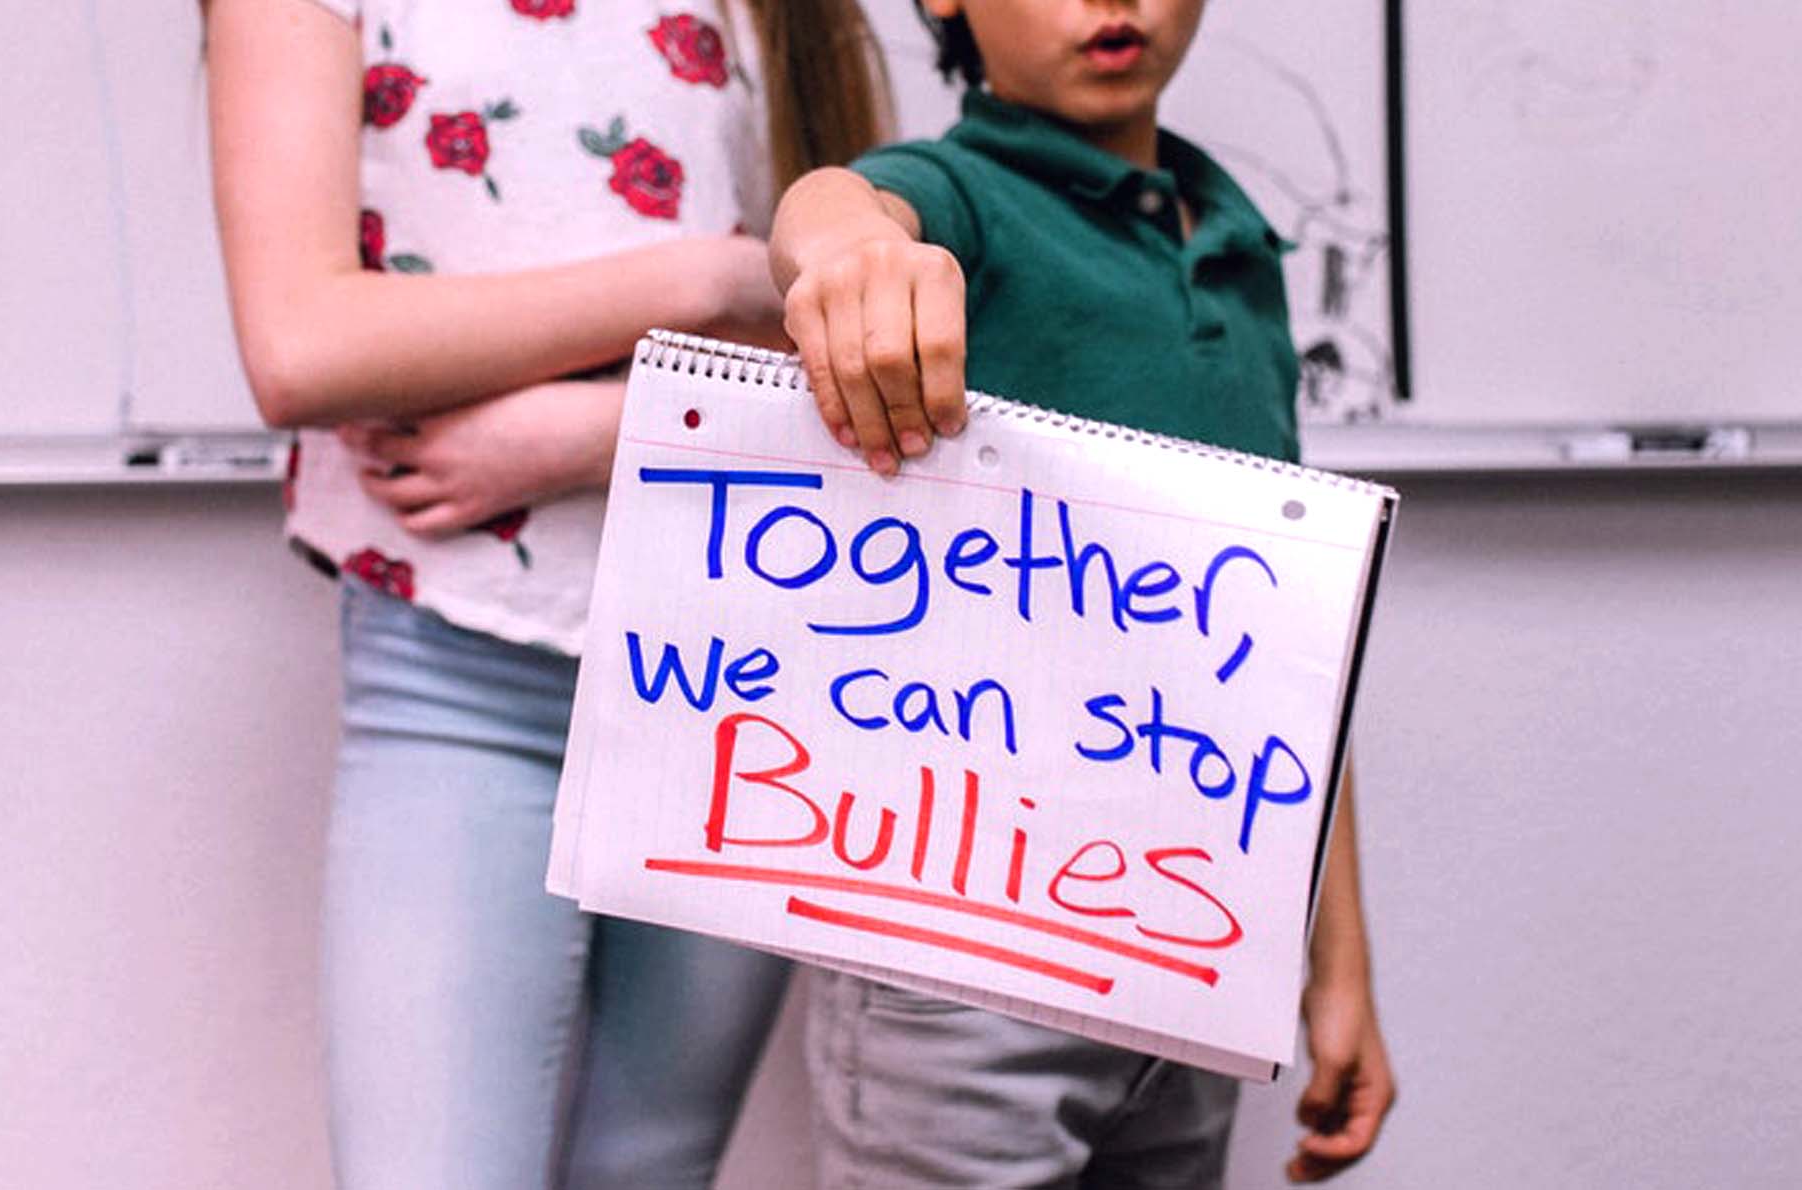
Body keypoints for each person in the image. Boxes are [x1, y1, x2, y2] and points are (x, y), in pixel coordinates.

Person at [203, 0, 888, 1186]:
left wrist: (603, 432)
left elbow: (860, 353)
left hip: (746, 679)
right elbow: (300, 345)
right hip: (457, 672)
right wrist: (713, 274)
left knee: (649, 1167)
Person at [767, 0, 1396, 1184]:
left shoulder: (1239, 246)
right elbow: (837, 205)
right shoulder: (952, 203)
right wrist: (852, 250)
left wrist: (1338, 967)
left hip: (1190, 946)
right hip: (962, 960)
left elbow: (1296, 640)